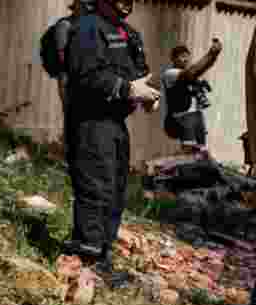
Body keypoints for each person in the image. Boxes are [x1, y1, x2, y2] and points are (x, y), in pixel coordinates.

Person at [63, 0, 159, 288]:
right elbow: (87, 75)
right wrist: (127, 89)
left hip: (116, 124)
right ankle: (86, 259)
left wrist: (147, 94)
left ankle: (102, 256)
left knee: (116, 190)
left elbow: (140, 72)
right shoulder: (87, 28)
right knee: (96, 187)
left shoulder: (129, 33)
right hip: (91, 121)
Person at [160, 40, 223, 156]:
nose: (185, 60)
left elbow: (198, 71)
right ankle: (174, 169)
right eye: (182, 57)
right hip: (180, 118)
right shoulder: (170, 74)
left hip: (196, 117)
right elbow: (191, 73)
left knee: (201, 153)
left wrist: (214, 56)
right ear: (173, 59)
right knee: (188, 152)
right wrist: (211, 54)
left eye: (187, 57)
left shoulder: (192, 76)